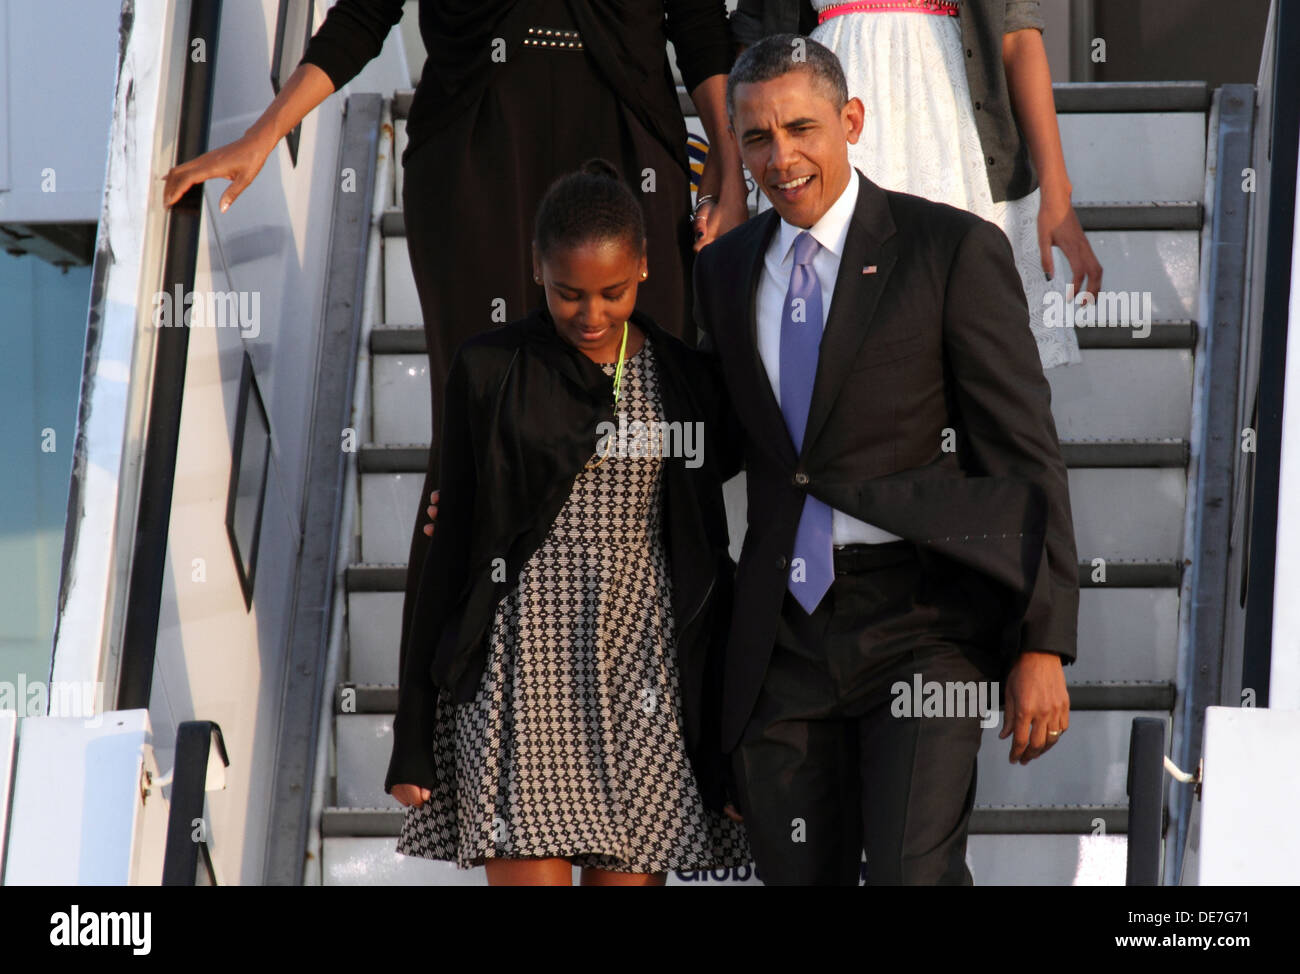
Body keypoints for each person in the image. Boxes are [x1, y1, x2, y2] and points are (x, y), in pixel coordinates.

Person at [160, 0, 751, 703]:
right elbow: (363, 15)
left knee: (646, 431)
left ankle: (664, 713)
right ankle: (444, 732)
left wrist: (728, 159)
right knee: (475, 439)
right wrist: (263, 135)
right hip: (475, 149)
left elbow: (697, 23)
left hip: (630, 145)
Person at [691, 35, 1078, 884]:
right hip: (781, 639)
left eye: (801, 128)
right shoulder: (719, 273)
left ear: (851, 120)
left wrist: (1041, 640)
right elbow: (706, 446)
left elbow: (1022, 451)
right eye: (756, 137)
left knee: (911, 873)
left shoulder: (950, 250)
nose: (781, 157)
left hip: (923, 622)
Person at [387, 159, 749, 885]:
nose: (590, 313)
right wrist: (412, 731)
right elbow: (446, 550)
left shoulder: (685, 377)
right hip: (522, 667)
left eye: (612, 292)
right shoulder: (491, 367)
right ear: (536, 269)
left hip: (644, 669)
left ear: (646, 268)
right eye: (567, 293)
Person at [731, 0, 1102, 370]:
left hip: (957, 133)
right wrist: (733, 184)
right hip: (834, 110)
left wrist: (1056, 191)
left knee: (979, 345)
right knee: (839, 345)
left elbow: (1017, 31)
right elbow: (755, 41)